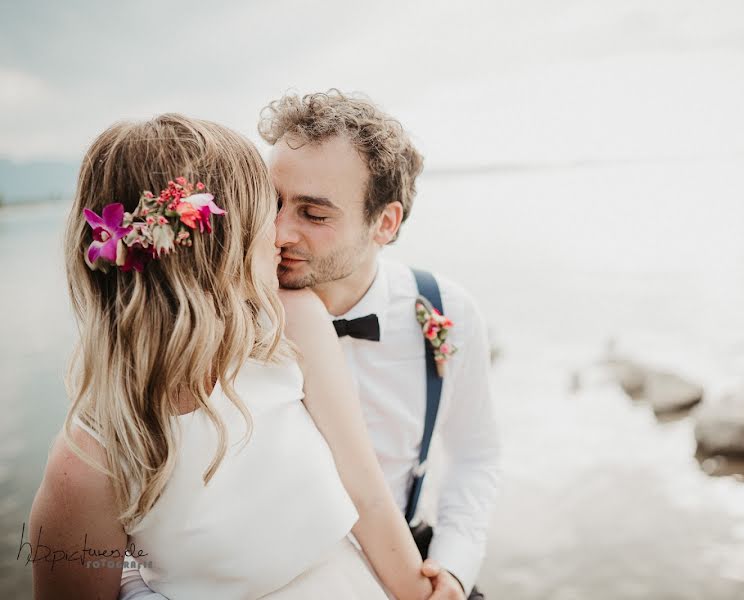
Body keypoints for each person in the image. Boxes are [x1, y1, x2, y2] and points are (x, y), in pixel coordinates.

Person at [27, 114, 433, 600]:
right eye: (269, 211)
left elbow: (368, 493)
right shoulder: (89, 458)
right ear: (219, 245)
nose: (280, 235)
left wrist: (423, 592)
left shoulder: (292, 325)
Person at [261, 90, 501, 600]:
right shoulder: (228, 319)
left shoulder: (447, 311)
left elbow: (475, 456)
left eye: (314, 214)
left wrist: (454, 565)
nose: (279, 231)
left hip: (410, 563)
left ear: (385, 223)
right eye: (272, 202)